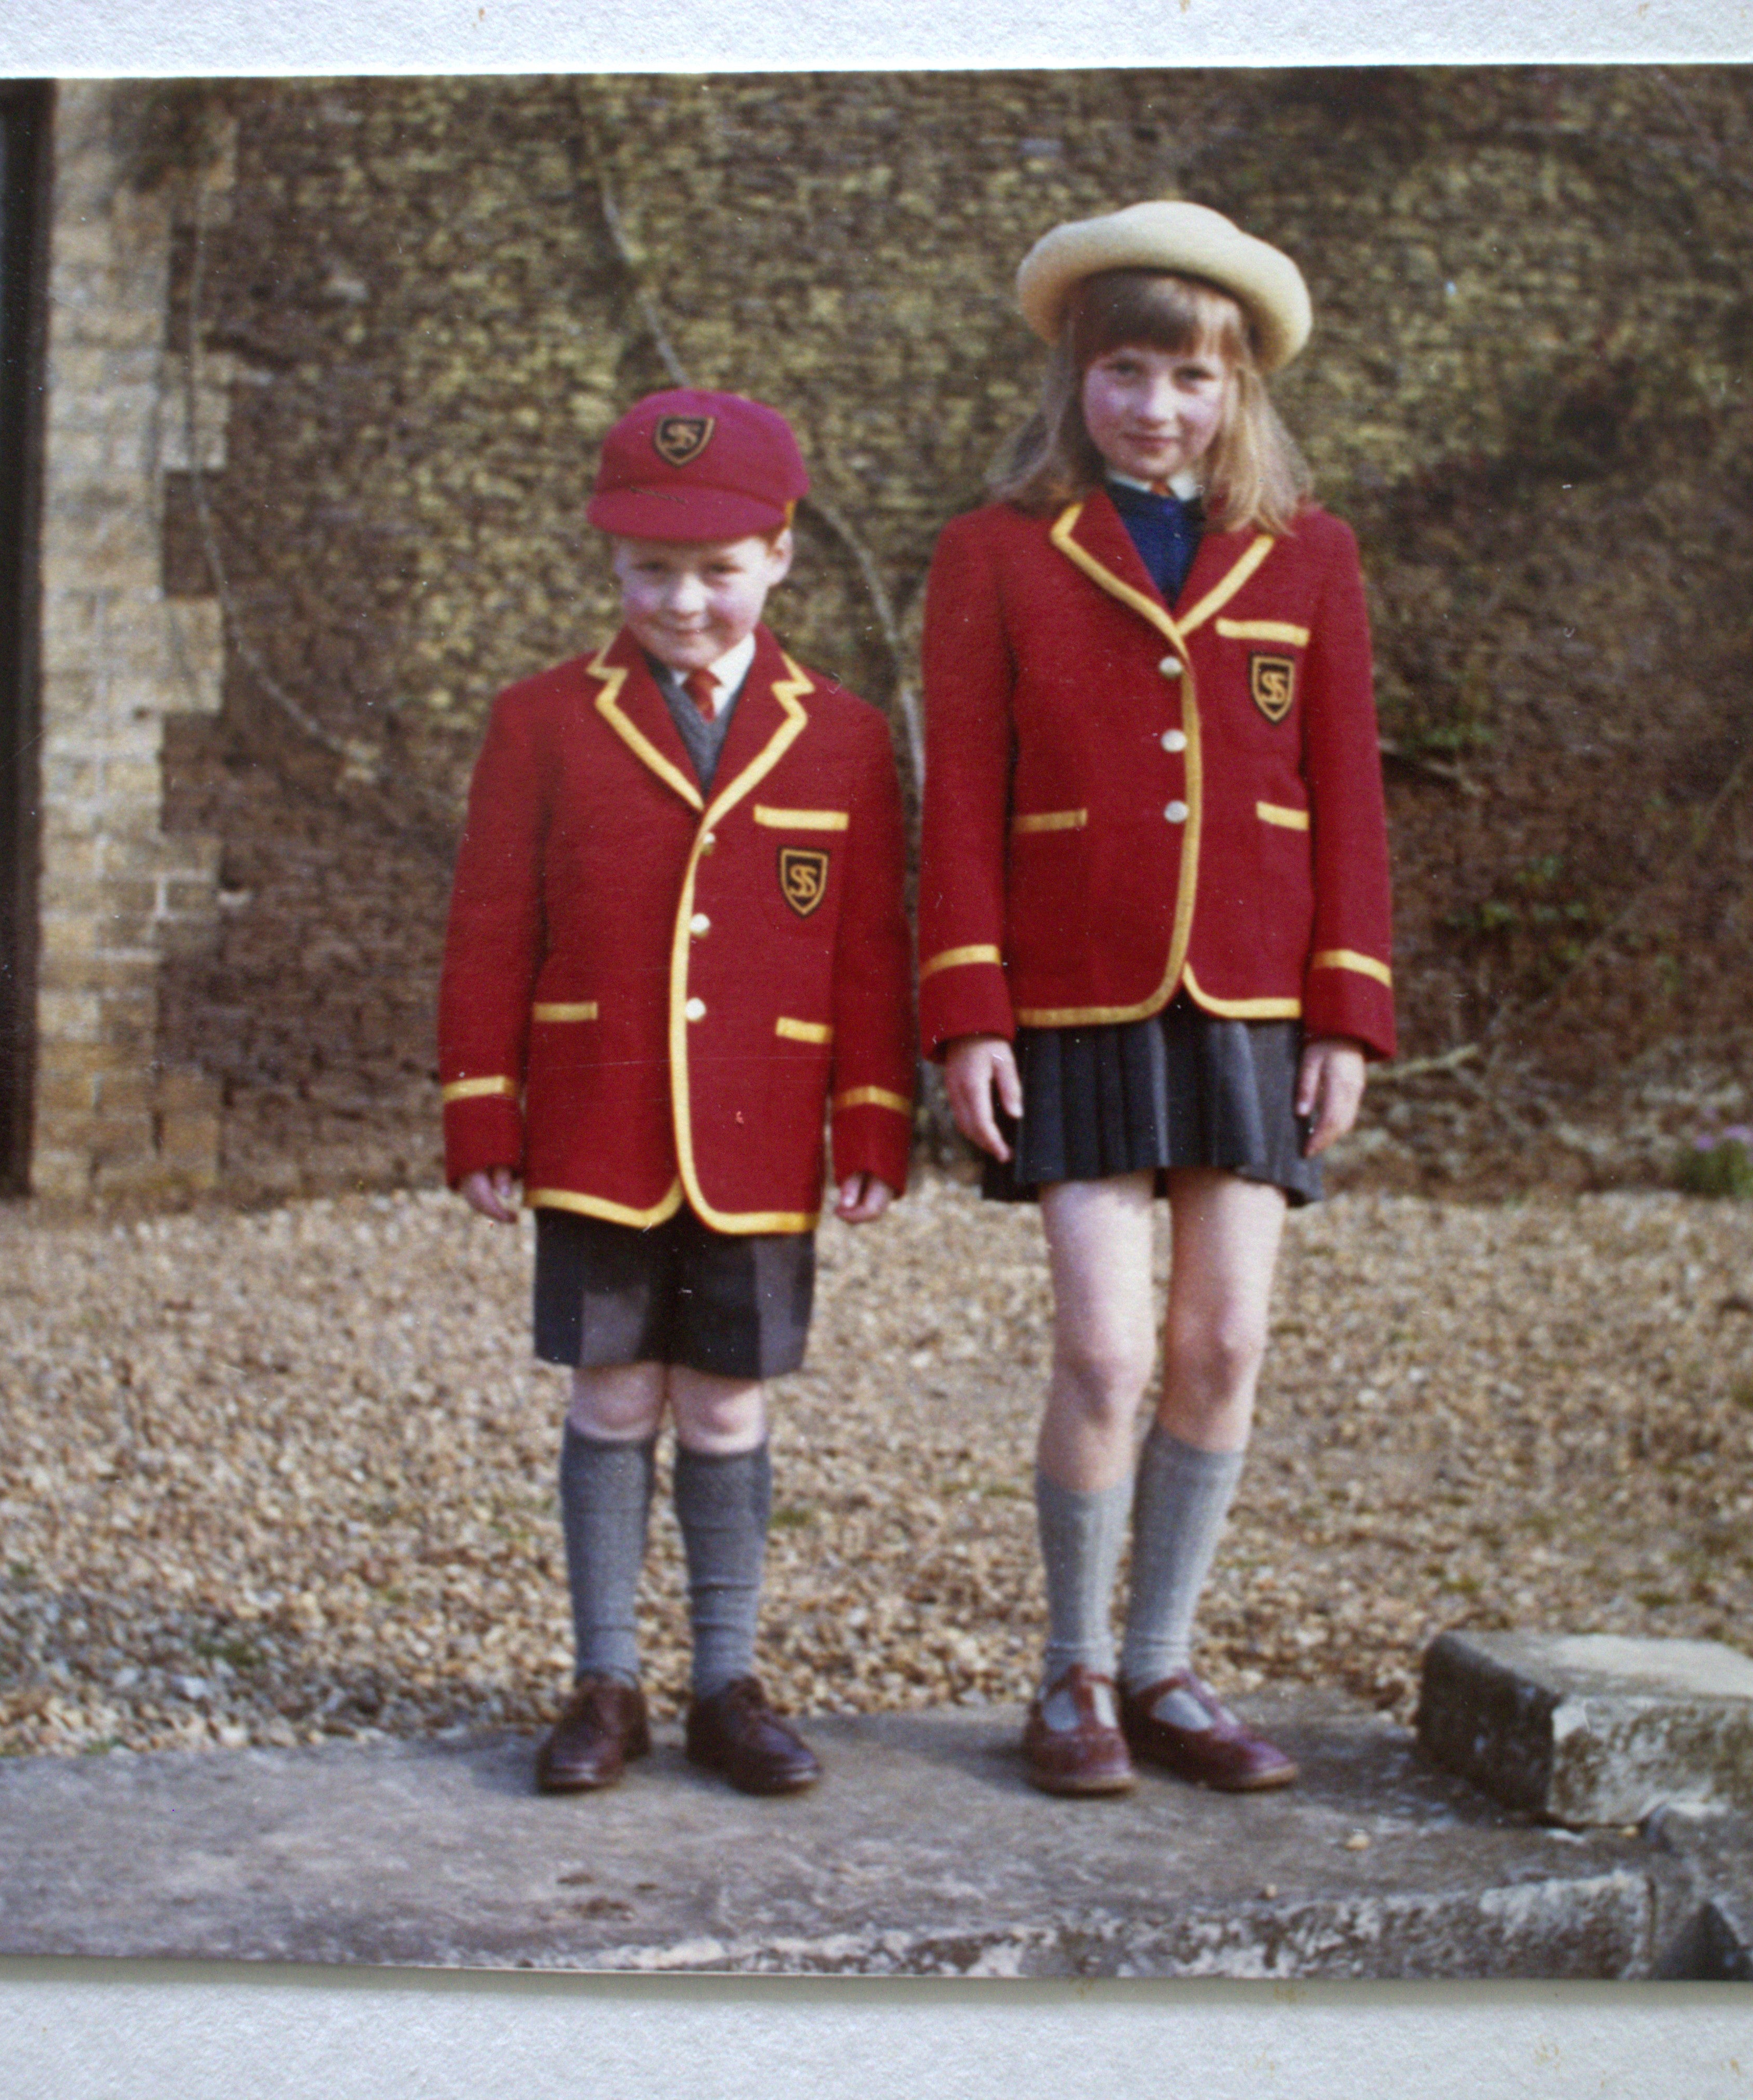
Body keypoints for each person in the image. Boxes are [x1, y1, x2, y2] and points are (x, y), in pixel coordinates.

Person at [917, 202, 1396, 1797]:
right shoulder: (995, 554)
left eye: (1192, 375)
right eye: (1124, 368)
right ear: (1076, 376)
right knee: (1109, 1354)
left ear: (1240, 387)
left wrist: (1347, 1014)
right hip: (1072, 996)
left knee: (1227, 1338)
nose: (1156, 405)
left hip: (1255, 995)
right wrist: (967, 1009)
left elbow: (1347, 797)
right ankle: (1072, 1675)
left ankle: (1170, 1663)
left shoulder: (1309, 554)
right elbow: (960, 803)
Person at [438, 389, 912, 1797]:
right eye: (652, 570)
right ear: (611, 565)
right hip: (595, 1125)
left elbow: (870, 950)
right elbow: (486, 929)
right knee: (609, 1391)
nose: (685, 602)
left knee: (724, 1409)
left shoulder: (843, 735)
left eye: (716, 571)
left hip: (764, 1137)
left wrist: (874, 1115)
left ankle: (725, 1680)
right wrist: (482, 1105)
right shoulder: (539, 722)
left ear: (778, 556)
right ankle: (604, 1680)